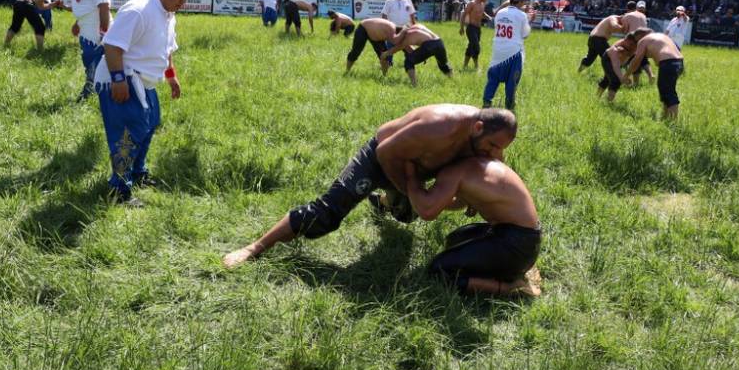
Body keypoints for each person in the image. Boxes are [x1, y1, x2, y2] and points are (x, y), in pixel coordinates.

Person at [222, 105, 518, 269]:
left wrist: (473, 199)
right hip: (379, 158)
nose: (494, 155)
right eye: (492, 146)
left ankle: (382, 202)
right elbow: (386, 152)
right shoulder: (440, 126)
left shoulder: (485, 143)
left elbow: (487, 172)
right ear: (477, 128)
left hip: (412, 172)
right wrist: (407, 189)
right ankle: (255, 247)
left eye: (499, 149)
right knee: (326, 216)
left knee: (407, 216)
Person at [92, 0, 190, 205]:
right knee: (127, 136)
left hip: (144, 81)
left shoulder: (168, 14)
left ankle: (137, 173)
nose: (183, 1)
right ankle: (119, 191)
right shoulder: (139, 9)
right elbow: (112, 46)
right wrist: (118, 80)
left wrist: (171, 75)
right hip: (122, 79)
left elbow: (167, 50)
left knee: (149, 126)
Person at [405, 157, 542, 297]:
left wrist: (411, 178)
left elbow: (426, 211)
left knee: (439, 271)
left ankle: (510, 287)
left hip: (516, 244)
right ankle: (518, 269)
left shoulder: (458, 170)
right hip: (522, 239)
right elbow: (460, 203)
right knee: (455, 239)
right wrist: (437, 199)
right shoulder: (476, 163)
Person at [66, 0, 112, 102]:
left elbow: (104, 7)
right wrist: (77, 22)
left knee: (95, 64)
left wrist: (103, 33)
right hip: (86, 29)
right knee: (89, 61)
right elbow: (87, 4)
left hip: (95, 32)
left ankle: (92, 91)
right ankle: (94, 88)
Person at [483, 0, 531, 111]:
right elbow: (525, 34)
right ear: (520, 2)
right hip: (514, 52)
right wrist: (529, 20)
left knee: (493, 78)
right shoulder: (522, 15)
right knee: (512, 81)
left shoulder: (500, 13)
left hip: (498, 49)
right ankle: (509, 106)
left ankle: (486, 102)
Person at [624, 28, 684, 120]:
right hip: (679, 62)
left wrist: (626, 75)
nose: (636, 43)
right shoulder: (662, 36)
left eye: (636, 40)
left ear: (639, 36)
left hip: (668, 63)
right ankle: (665, 117)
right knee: (665, 90)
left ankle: (673, 122)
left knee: (669, 92)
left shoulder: (643, 40)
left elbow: (636, 60)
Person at [4, 0, 74, 50]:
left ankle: (6, 44)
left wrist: (53, 4)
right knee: (40, 27)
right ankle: (40, 49)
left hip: (19, 2)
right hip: (26, 4)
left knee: (15, 26)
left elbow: (41, 6)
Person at [380, 23, 453, 86]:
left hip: (429, 45)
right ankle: (452, 80)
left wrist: (386, 53)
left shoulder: (408, 34)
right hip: (439, 42)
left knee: (408, 61)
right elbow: (410, 49)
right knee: (443, 64)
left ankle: (414, 84)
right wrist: (421, 56)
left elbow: (399, 47)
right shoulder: (417, 26)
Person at [621, 0, 653, 84]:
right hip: (643, 40)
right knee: (643, 59)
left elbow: (625, 30)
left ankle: (635, 83)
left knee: (634, 60)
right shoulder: (643, 16)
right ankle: (650, 75)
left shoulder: (628, 15)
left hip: (633, 39)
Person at [597, 35, 636, 102]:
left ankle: (597, 97)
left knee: (607, 79)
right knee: (615, 80)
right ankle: (609, 101)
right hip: (608, 59)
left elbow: (629, 62)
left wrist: (626, 75)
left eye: (633, 44)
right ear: (625, 40)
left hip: (619, 63)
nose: (632, 46)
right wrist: (622, 79)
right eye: (630, 44)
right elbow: (616, 66)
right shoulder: (615, 49)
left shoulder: (634, 46)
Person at [460, 0, 492, 69]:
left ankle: (465, 65)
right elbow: (464, 15)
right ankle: (476, 65)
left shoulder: (482, 4)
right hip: (471, 28)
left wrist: (487, 16)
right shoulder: (472, 3)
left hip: (478, 29)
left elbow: (481, 12)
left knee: (471, 46)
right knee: (476, 47)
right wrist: (461, 28)